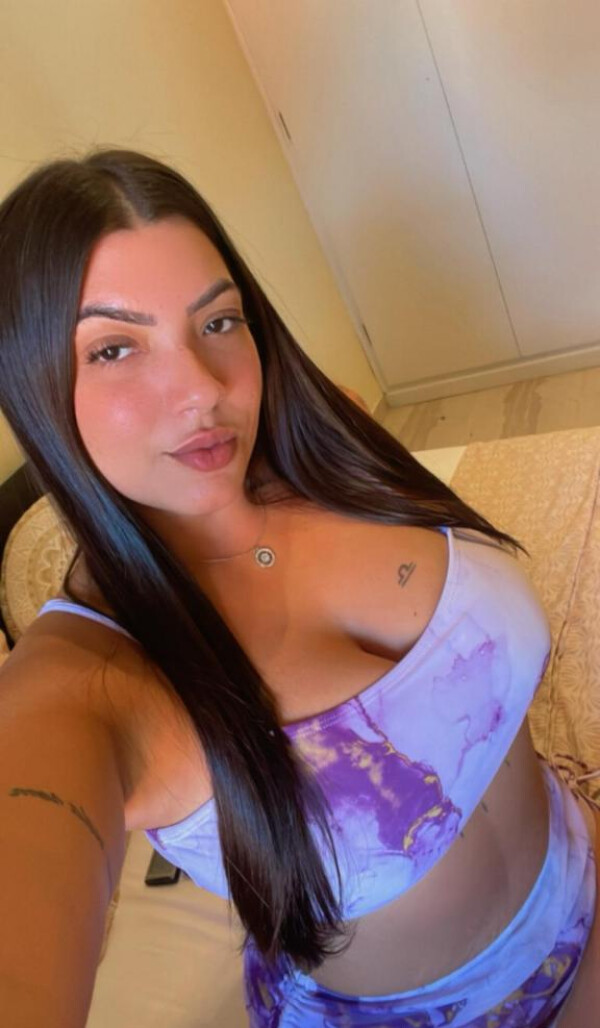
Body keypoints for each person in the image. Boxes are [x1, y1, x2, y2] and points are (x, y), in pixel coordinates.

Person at [0, 149, 597, 1028]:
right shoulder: (88, 680)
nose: (203, 391)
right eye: (114, 348)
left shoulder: (325, 441)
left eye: (218, 321)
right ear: (32, 384)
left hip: (582, 866)